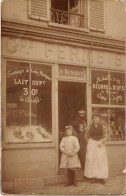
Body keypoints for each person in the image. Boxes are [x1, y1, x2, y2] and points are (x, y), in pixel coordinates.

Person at [84, 114, 108, 184]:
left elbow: (106, 136)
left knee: (101, 160)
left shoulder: (103, 127)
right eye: (95, 118)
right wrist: (88, 141)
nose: (96, 119)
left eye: (97, 118)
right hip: (92, 144)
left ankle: (102, 177)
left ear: (99, 119)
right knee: (92, 160)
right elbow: (86, 135)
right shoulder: (89, 127)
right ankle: (94, 177)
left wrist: (102, 141)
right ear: (92, 119)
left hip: (100, 144)